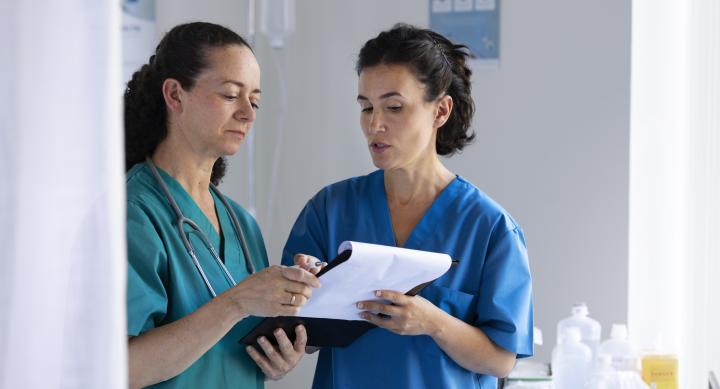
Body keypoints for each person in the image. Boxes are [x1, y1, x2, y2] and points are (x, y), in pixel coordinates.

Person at [283, 24, 533, 388]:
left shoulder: (490, 227)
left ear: (440, 111)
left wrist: (432, 322)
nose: (375, 124)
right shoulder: (329, 209)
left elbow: (501, 360)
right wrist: (307, 290)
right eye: (366, 107)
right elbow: (298, 335)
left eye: (394, 107)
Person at [124, 22, 319, 389]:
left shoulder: (242, 225)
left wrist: (278, 356)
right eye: (231, 95)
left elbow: (234, 349)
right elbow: (121, 370)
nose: (248, 113)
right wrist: (237, 303)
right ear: (175, 95)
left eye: (255, 101)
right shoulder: (133, 213)